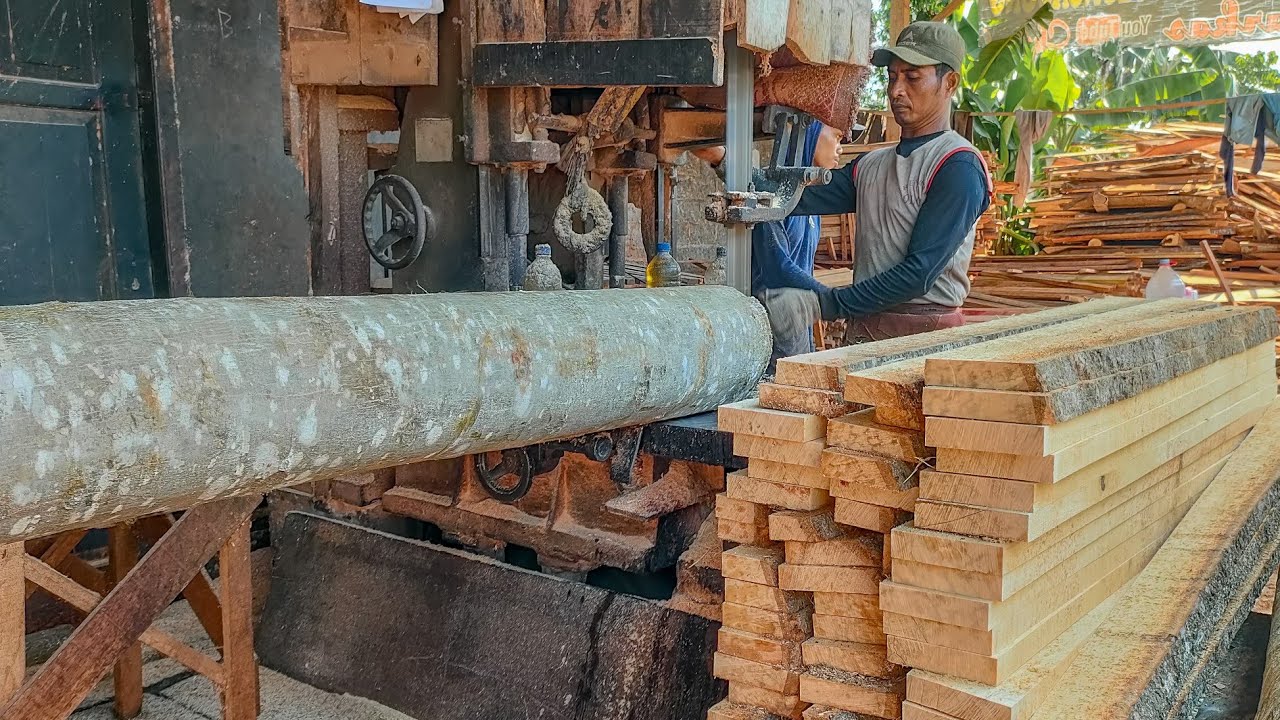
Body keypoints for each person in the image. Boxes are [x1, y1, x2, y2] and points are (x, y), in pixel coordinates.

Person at [762, 21, 992, 346]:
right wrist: (725, 162)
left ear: (949, 82)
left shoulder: (958, 166)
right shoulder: (871, 165)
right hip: (866, 330)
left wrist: (823, 304)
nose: (896, 90)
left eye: (912, 77)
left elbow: (919, 274)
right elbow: (793, 198)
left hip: (923, 338)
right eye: (892, 77)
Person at [695, 121, 845, 368]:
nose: (839, 148)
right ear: (811, 134)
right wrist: (831, 298)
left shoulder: (807, 197)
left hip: (797, 324)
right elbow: (777, 269)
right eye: (837, 136)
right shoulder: (771, 192)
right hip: (771, 325)